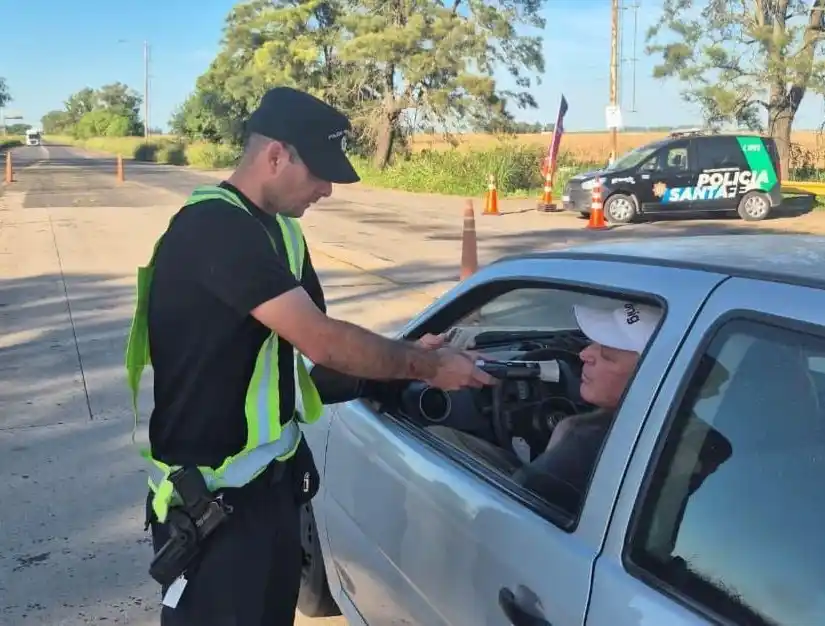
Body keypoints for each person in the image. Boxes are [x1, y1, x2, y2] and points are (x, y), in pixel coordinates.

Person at [124, 86, 495, 626]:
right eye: (320, 173)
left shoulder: (281, 233)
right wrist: (430, 368)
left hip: (271, 496)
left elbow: (309, 357)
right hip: (212, 508)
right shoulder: (215, 229)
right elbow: (322, 339)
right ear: (275, 155)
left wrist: (405, 356)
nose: (327, 190)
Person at [429, 300, 730, 510]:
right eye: (593, 343)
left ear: (652, 378)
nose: (585, 354)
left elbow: (521, 507)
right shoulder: (706, 439)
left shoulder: (582, 442)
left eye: (608, 355)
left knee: (438, 437)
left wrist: (566, 433)